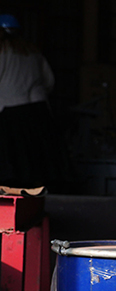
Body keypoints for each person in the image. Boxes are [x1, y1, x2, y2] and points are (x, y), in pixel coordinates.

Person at [0, 13, 68, 191]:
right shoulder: (33, 51)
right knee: (38, 160)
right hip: (38, 110)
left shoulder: (2, 51)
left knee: (12, 161)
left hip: (11, 110)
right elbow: (49, 81)